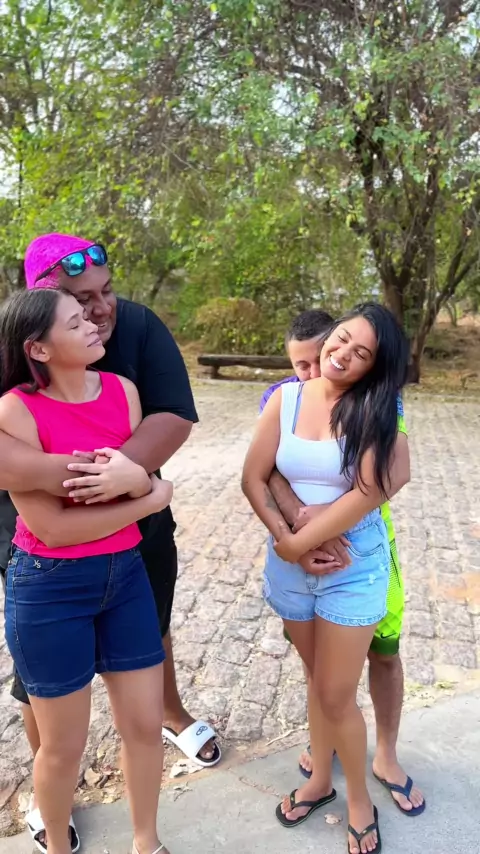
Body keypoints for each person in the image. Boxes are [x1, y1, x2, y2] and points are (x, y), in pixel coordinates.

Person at [0, 234, 219, 851]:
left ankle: (147, 842)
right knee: (61, 743)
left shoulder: (123, 386)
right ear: (38, 344)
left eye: (104, 295)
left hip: (124, 572)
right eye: (78, 309)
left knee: (142, 726)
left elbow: (168, 423)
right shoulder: (17, 407)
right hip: (49, 581)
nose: (98, 315)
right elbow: (51, 526)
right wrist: (143, 493)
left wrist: (132, 477)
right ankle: (54, 833)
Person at [242, 303, 410, 854]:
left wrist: (300, 542)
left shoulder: (375, 410)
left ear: (374, 367)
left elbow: (370, 490)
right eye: (342, 339)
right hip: (289, 566)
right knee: (318, 682)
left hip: (350, 566)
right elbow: (253, 476)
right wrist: (286, 537)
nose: (342, 354)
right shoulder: (286, 398)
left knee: (337, 695)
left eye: (361, 353)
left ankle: (359, 800)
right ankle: (319, 781)